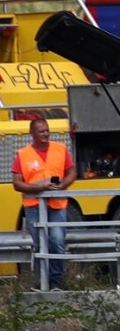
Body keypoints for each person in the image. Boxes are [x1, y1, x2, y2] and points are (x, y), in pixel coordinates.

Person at [11, 117, 76, 290]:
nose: (46, 134)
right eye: (41, 131)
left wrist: (63, 184)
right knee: (39, 243)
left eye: (47, 130)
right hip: (33, 205)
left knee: (57, 240)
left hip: (57, 204)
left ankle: (56, 281)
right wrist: (37, 187)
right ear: (32, 133)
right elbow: (17, 183)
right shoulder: (23, 154)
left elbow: (71, 172)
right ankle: (41, 282)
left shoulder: (60, 149)